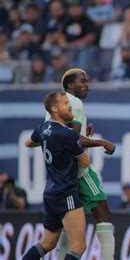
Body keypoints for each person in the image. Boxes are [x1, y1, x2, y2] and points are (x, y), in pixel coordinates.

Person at [45, 69, 116, 260]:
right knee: (103, 215)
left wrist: (84, 130)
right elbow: (73, 137)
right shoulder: (73, 102)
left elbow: (54, 135)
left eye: (87, 81)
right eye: (82, 81)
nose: (87, 85)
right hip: (78, 171)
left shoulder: (54, 108)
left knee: (61, 231)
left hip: (57, 175)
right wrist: (102, 142)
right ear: (70, 86)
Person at [23, 91, 89, 260]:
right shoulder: (68, 134)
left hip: (51, 193)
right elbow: (84, 162)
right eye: (65, 103)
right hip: (66, 192)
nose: (70, 106)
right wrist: (86, 139)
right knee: (79, 245)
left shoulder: (43, 128)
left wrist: (48, 142)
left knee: (48, 243)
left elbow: (28, 143)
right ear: (54, 109)